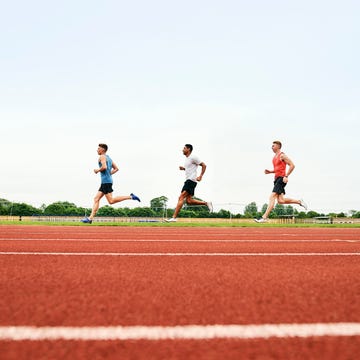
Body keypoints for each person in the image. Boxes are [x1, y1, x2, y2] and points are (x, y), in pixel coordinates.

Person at [81, 144, 140, 224]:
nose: (97, 150)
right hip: (107, 181)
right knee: (96, 199)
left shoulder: (102, 157)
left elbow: (104, 167)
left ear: (103, 150)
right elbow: (116, 169)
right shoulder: (109, 158)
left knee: (111, 201)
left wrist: (97, 170)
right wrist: (109, 174)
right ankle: (90, 218)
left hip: (106, 182)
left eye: (98, 148)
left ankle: (131, 197)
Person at [255, 140, 307, 223]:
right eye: (272, 146)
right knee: (281, 201)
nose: (271, 147)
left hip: (281, 179)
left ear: (278, 147)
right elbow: (278, 169)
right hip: (276, 179)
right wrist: (270, 172)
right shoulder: (274, 158)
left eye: (273, 145)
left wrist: (286, 176)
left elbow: (292, 165)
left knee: (271, 197)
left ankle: (264, 217)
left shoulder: (282, 155)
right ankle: (299, 202)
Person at [165, 144, 212, 222]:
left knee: (181, 197)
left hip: (191, 180)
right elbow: (190, 169)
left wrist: (200, 176)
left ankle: (174, 217)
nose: (182, 150)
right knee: (189, 201)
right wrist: (184, 168)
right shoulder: (187, 159)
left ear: (189, 149)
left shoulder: (193, 157)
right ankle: (206, 203)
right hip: (189, 180)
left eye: (184, 148)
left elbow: (204, 165)